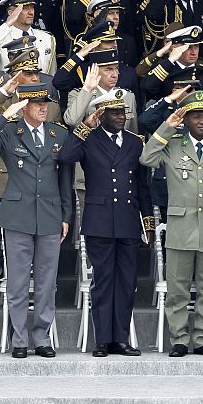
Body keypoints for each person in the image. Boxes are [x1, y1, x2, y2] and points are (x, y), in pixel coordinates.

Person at [0, 82, 74, 358]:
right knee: (18, 282)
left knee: (46, 281)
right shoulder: (10, 131)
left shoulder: (58, 134)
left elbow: (65, 179)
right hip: (18, 216)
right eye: (37, 103)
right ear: (24, 106)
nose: (44, 108)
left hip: (51, 215)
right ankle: (19, 338)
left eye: (46, 103)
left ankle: (41, 336)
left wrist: (67, 216)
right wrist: (7, 115)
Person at [58, 90, 153, 357]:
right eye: (114, 113)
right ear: (101, 115)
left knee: (125, 282)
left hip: (127, 220)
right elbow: (65, 158)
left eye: (123, 112)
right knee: (104, 281)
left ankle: (120, 339)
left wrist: (148, 222)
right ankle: (102, 340)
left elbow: (142, 186)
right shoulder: (89, 140)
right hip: (99, 221)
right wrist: (84, 127)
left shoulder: (136, 142)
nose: (121, 117)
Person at [139, 91, 203, 357]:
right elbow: (146, 158)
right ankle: (178, 339)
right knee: (178, 289)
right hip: (180, 227)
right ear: (186, 119)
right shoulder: (172, 145)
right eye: (195, 117)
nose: (202, 122)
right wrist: (168, 126)